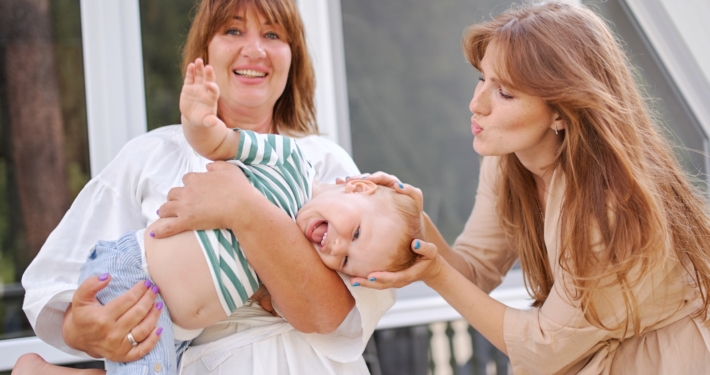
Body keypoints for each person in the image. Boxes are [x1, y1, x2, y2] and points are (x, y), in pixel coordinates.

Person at [16, 0, 396, 374]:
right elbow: (52, 284)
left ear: (293, 55)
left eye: (272, 34)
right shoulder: (148, 159)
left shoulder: (326, 164)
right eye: (233, 30)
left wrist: (243, 209)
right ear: (204, 52)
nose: (255, 49)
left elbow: (333, 314)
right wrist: (81, 330)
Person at [341, 1, 710, 374]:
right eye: (482, 78)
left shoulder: (608, 204)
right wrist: (413, 222)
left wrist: (435, 273)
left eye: (505, 93)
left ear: (562, 112)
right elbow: (473, 271)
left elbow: (544, 349)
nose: (476, 104)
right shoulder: (507, 163)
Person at [72, 57, 422, 375]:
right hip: (137, 274)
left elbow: (318, 308)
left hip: (181, 333)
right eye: (355, 234)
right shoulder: (290, 158)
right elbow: (218, 144)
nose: (336, 246)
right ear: (358, 188)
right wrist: (198, 120)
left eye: (345, 260)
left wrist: (243, 208)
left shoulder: (316, 220)